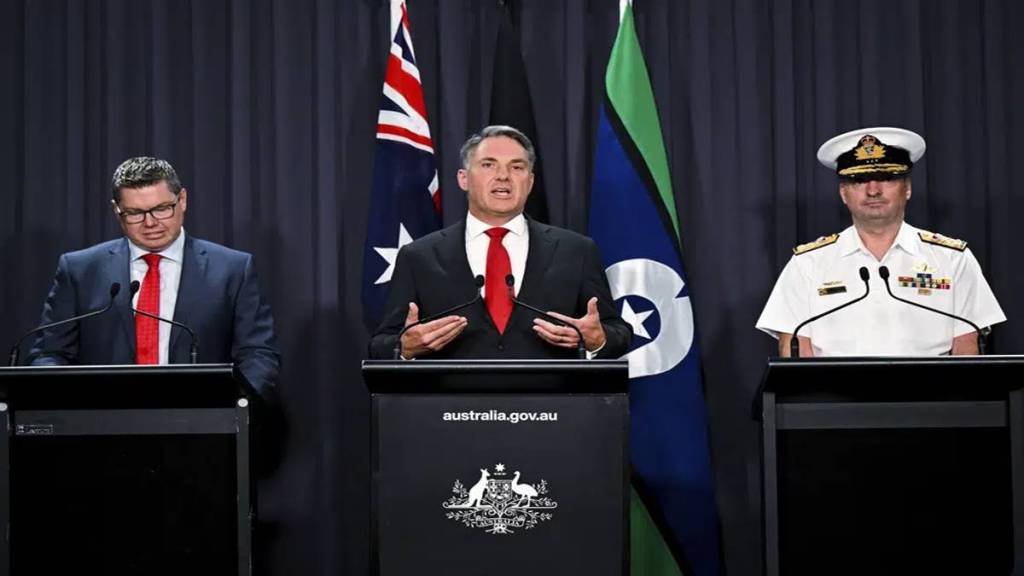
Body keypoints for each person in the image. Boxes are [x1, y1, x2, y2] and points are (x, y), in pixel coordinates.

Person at [368, 125, 630, 360]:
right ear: (463, 179)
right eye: (488, 164)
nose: (503, 175)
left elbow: (617, 333)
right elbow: (381, 344)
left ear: (530, 181)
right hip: (450, 410)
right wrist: (404, 347)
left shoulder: (577, 251)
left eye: (517, 167)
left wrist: (597, 340)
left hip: (550, 408)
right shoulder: (419, 256)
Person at [28, 156, 280, 398]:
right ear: (117, 210)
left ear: (182, 200)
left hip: (203, 428)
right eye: (135, 213)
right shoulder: (80, 270)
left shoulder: (232, 269)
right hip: (102, 428)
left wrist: (238, 405)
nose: (150, 223)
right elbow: (49, 354)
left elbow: (258, 353)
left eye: (161, 209)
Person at [756, 127, 1005, 356]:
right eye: (860, 180)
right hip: (833, 400)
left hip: (930, 399)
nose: (873, 190)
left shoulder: (952, 258)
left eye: (886, 178)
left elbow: (966, 344)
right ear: (844, 193)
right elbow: (795, 344)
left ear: (907, 188)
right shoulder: (808, 262)